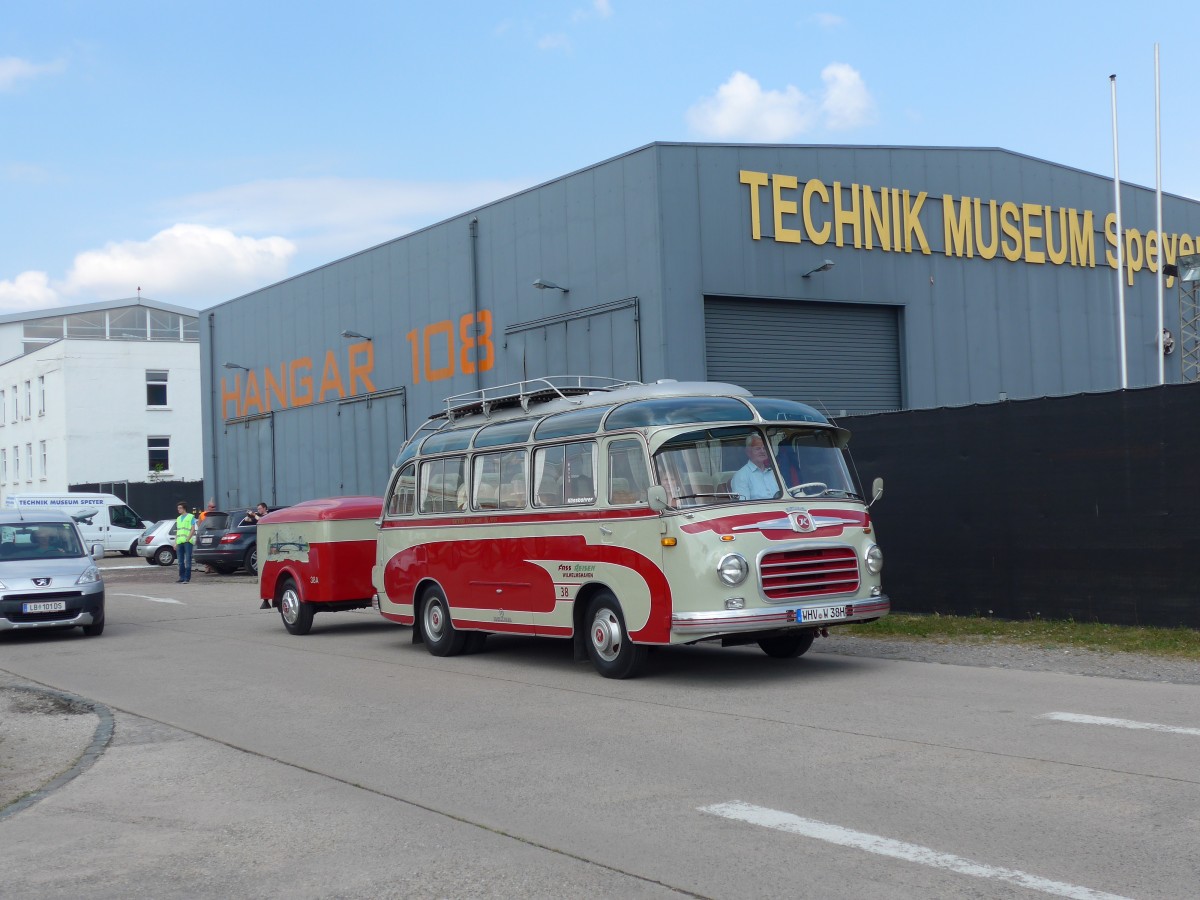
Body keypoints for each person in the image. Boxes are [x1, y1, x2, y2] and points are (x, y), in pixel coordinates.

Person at [731, 434, 780, 500]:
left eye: (764, 448)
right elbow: (743, 507)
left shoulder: (775, 472)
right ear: (748, 452)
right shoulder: (741, 476)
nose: (762, 451)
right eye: (758, 448)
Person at [174, 501, 197, 583]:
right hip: (180, 541)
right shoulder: (178, 518)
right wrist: (175, 542)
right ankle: (181, 577)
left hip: (187, 542)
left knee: (188, 560)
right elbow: (177, 531)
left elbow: (193, 529)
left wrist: (188, 538)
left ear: (184, 508)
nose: (178, 510)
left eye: (180, 508)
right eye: (178, 508)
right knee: (180, 561)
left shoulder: (191, 517)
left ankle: (187, 578)